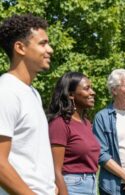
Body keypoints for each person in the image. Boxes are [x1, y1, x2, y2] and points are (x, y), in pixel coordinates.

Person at [0, 14, 56, 194]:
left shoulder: (32, 93)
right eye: (42, 43)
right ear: (20, 48)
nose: (50, 49)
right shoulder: (6, 91)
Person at [47, 72, 100, 195]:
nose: (93, 92)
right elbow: (55, 170)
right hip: (71, 186)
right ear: (71, 95)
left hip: (91, 183)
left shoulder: (86, 123)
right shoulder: (60, 124)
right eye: (87, 88)